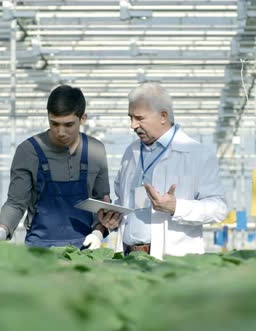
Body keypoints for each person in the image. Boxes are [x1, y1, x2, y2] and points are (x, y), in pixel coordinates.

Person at [98, 82, 228, 260]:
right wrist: (112, 217)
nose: (132, 125)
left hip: (172, 260)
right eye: (130, 117)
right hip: (129, 256)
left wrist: (176, 207)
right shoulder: (131, 152)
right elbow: (125, 201)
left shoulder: (197, 154)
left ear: (163, 116)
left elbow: (219, 208)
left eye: (139, 118)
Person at [0, 85, 110, 249]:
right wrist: (2, 230)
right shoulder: (28, 151)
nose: (60, 132)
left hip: (84, 249)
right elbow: (16, 203)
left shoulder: (96, 151)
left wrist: (98, 233)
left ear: (83, 119)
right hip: (39, 249)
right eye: (54, 123)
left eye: (68, 125)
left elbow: (102, 202)